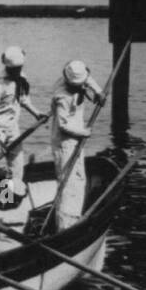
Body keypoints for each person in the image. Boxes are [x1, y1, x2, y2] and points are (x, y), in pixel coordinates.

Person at [0, 46, 45, 198]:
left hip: (13, 129)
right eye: (15, 69)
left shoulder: (21, 78)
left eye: (20, 68)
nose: (17, 71)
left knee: (16, 168)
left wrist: (37, 113)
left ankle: (7, 198)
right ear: (7, 67)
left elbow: (23, 99)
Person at [50, 59, 104, 229]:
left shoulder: (76, 77)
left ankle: (74, 216)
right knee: (68, 183)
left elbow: (87, 78)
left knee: (79, 179)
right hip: (65, 142)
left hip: (77, 138)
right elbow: (63, 125)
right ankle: (65, 225)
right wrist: (83, 132)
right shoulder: (62, 96)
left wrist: (98, 92)